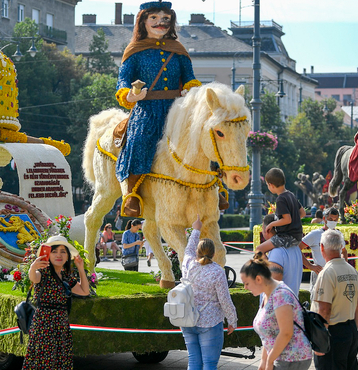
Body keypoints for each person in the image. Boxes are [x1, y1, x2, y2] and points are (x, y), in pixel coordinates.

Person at [115, 1, 201, 217]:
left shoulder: (178, 51)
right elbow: (122, 81)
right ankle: (132, 194)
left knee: (203, 137)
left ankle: (214, 186)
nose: (160, 22)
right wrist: (131, 95)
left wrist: (191, 91)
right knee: (140, 139)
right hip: (147, 108)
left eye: (165, 18)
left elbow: (190, 79)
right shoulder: (135, 51)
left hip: (176, 108)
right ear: (143, 21)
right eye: (154, 18)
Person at [180, 215, 238, 369]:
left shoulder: (187, 264)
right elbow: (224, 300)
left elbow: (189, 247)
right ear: (213, 254)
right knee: (209, 364)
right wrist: (232, 320)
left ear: (197, 253)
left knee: (193, 362)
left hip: (187, 319)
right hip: (210, 322)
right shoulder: (217, 272)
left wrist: (196, 229)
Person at [23, 236, 90, 370]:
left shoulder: (66, 277)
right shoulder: (43, 272)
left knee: (61, 362)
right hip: (44, 325)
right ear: (48, 254)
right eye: (54, 251)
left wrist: (81, 268)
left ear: (67, 256)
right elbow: (34, 277)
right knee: (43, 363)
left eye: (63, 251)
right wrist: (33, 267)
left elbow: (84, 291)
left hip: (61, 324)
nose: (59, 255)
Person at [241, 252, 312, 370]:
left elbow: (286, 332)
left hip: (291, 358)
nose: (245, 288)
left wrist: (269, 360)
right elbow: (269, 335)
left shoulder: (280, 295)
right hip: (282, 357)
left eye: (247, 283)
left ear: (258, 279)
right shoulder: (267, 294)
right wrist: (263, 362)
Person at [311, 229, 358, 370]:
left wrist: (320, 341)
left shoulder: (327, 273)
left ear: (321, 247)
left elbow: (324, 310)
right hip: (351, 329)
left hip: (333, 333)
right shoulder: (353, 271)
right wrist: (353, 332)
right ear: (341, 247)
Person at [258, 214, 303, 296]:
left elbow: (272, 286)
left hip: (277, 307)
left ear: (268, 229)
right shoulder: (295, 248)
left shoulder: (277, 252)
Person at [301, 208, 341, 291]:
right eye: (330, 219)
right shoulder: (315, 234)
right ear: (324, 219)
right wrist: (310, 266)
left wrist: (343, 266)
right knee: (316, 301)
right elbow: (297, 248)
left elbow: (343, 251)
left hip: (335, 273)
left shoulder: (339, 234)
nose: (333, 222)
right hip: (319, 273)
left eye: (335, 220)